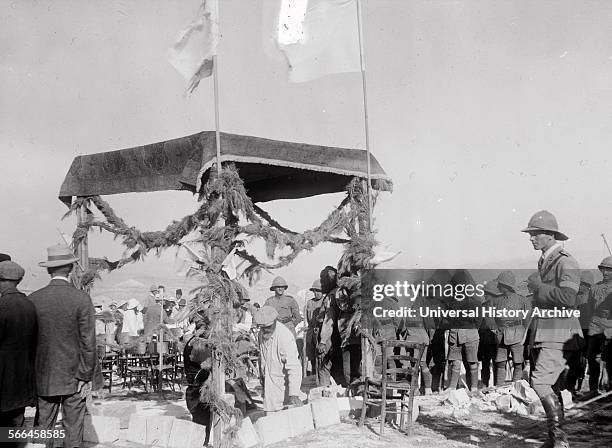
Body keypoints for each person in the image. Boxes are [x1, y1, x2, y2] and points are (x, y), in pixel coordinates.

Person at [522, 210, 582, 448]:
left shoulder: (566, 261)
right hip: (546, 332)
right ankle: (556, 439)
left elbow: (568, 297)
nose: (531, 238)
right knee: (552, 385)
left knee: (540, 382)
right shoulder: (546, 260)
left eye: (535, 234)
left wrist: (539, 288)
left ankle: (559, 439)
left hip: (557, 333)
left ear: (549, 235)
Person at [29, 244, 97, 448]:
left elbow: (30, 343)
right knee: (73, 429)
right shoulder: (82, 299)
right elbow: (88, 343)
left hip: (44, 376)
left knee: (43, 427)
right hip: (74, 377)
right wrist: (85, 376)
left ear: (49, 269)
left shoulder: (33, 299)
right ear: (71, 268)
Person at [0, 261, 37, 441]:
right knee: (15, 429)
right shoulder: (29, 305)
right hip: (23, 377)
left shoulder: (2, 305)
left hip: (3, 378)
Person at [254, 306, 303, 413]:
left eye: (268, 327)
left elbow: (294, 366)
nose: (266, 330)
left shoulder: (284, 336)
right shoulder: (262, 334)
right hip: (269, 384)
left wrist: (294, 394)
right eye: (263, 328)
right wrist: (262, 377)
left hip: (283, 387)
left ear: (275, 321)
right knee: (270, 416)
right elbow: (262, 357)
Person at [318, 276, 362, 387]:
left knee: (359, 368)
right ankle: (351, 390)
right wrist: (323, 340)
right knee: (347, 369)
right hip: (344, 339)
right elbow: (329, 320)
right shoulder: (333, 296)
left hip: (360, 338)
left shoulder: (360, 293)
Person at [490, 271, 532, 384]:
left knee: (518, 362)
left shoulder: (522, 300)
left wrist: (524, 332)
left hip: (517, 333)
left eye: (500, 285)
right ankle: (499, 387)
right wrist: (493, 327)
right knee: (500, 362)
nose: (498, 286)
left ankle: (515, 386)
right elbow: (489, 314)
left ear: (506, 286)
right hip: (501, 334)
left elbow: (528, 317)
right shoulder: (496, 300)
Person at [584, 257, 612, 399]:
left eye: (609, 270)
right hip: (595, 325)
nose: (605, 272)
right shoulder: (594, 287)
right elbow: (589, 309)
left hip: (610, 326)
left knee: (610, 360)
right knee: (592, 359)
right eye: (604, 269)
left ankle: (609, 390)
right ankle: (593, 389)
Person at [183, 316, 213, 446]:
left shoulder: (191, 341)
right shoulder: (198, 344)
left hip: (193, 388)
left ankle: (202, 441)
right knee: (202, 425)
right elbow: (205, 369)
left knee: (199, 423)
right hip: (198, 391)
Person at [479, 279, 501, 387]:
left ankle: (494, 385)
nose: (485, 295)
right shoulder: (483, 306)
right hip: (485, 339)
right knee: (487, 363)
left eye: (486, 293)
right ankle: (486, 384)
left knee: (495, 363)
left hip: (494, 339)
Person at [305, 279, 326, 376]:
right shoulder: (309, 303)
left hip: (322, 331)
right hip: (311, 331)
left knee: (321, 356)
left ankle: (321, 376)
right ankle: (313, 375)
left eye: (319, 291)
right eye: (315, 291)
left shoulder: (325, 301)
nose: (316, 293)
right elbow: (307, 318)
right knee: (311, 356)